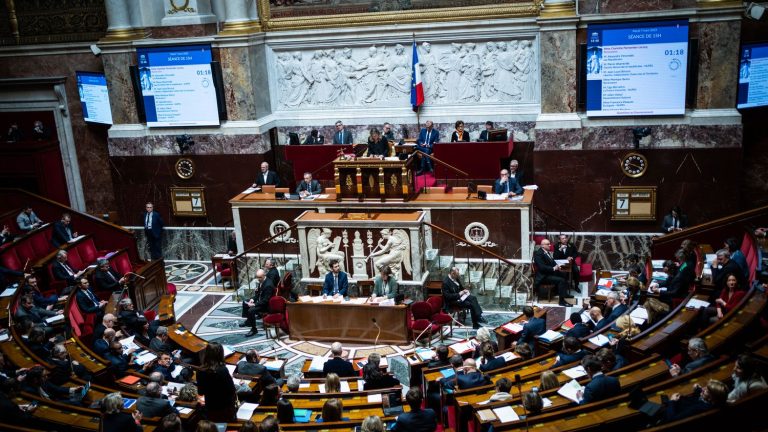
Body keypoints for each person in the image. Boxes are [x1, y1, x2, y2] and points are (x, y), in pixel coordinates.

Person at [197, 342, 238, 422]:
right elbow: (232, 390)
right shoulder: (222, 370)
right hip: (225, 407)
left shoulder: (200, 370)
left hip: (211, 406)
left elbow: (201, 392)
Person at [662, 380, 728, 423]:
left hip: (668, 414)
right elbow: (697, 399)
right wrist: (697, 389)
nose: (703, 389)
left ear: (712, 398)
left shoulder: (698, 409)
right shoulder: (708, 401)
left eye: (707, 391)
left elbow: (672, 419)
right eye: (706, 387)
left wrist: (672, 401)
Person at [533, 238, 571, 306]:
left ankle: (563, 293)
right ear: (542, 245)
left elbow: (551, 261)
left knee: (564, 273)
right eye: (548, 244)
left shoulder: (546, 252)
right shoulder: (538, 254)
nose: (550, 245)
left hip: (549, 272)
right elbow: (542, 268)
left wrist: (558, 265)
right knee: (561, 280)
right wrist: (554, 268)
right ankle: (561, 302)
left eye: (549, 244)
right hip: (544, 276)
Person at [240, 269, 275, 337]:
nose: (258, 279)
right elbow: (258, 293)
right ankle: (249, 321)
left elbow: (266, 301)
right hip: (260, 301)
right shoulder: (262, 281)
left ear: (264, 275)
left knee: (251, 310)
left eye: (260, 277)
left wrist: (254, 304)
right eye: (257, 277)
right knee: (245, 302)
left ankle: (254, 329)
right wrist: (253, 299)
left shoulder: (268, 285)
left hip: (266, 305)